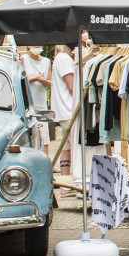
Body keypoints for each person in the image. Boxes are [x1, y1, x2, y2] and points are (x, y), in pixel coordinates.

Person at [50, 45, 78, 177]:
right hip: (69, 109)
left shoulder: (58, 58)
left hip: (63, 110)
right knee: (75, 147)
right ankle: (74, 180)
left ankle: (65, 183)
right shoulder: (65, 59)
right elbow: (72, 86)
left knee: (66, 146)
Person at [20, 46, 51, 147]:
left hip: (41, 104)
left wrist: (43, 80)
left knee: (44, 139)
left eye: (39, 46)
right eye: (34, 46)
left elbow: (50, 84)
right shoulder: (23, 59)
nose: (37, 48)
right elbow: (20, 80)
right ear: (29, 46)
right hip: (27, 104)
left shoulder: (46, 61)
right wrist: (35, 79)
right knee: (29, 140)